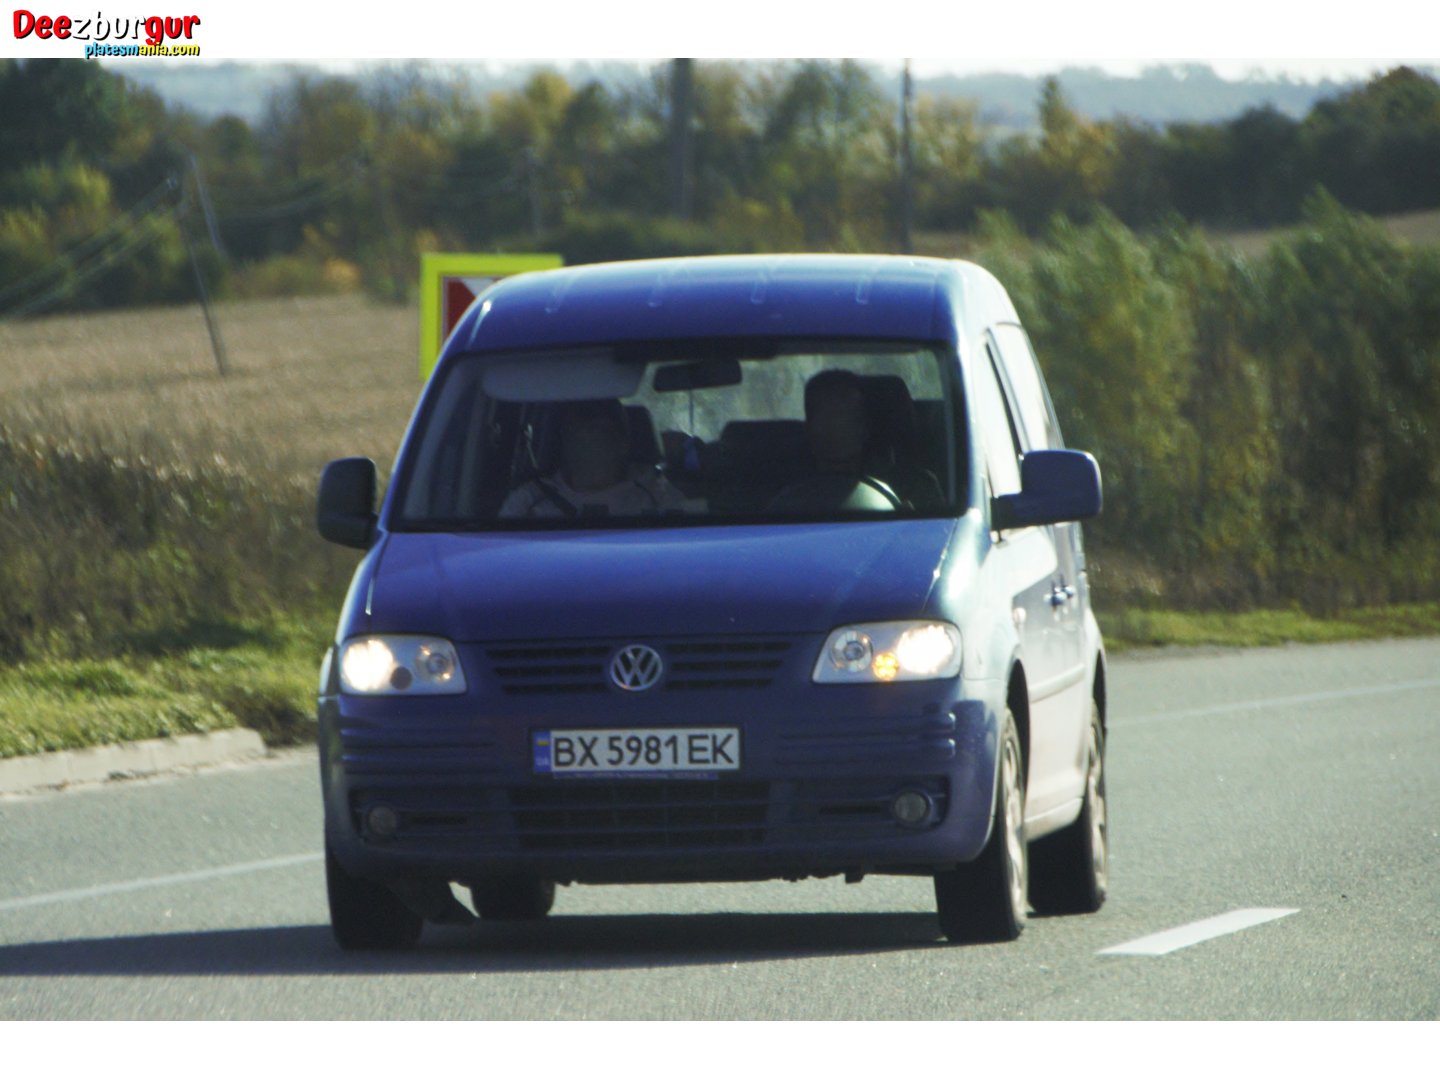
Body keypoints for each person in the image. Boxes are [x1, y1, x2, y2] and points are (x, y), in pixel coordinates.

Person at [499, 399, 686, 518]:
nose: (585, 437)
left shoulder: (658, 493)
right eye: (575, 428)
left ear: (622, 442)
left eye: (597, 429)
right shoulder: (528, 500)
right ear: (563, 440)